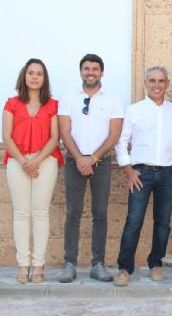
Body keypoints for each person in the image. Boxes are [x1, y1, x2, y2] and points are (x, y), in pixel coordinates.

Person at [58, 54, 124, 283]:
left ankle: (98, 264)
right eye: (86, 69)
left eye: (95, 69)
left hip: (102, 162)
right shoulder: (68, 96)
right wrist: (79, 159)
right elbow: (64, 131)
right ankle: (70, 264)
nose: (90, 72)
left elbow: (114, 134)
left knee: (100, 214)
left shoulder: (114, 98)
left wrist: (93, 158)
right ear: (81, 72)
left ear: (102, 72)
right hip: (74, 161)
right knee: (73, 213)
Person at [113, 66, 172, 287]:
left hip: (168, 172)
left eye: (161, 81)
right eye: (152, 81)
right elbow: (122, 141)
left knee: (163, 222)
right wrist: (128, 169)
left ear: (167, 84)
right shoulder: (134, 110)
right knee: (134, 220)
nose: (157, 85)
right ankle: (124, 268)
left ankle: (155, 264)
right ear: (145, 83)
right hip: (141, 172)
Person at [2, 58, 64, 283]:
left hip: (45, 161)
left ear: (44, 78)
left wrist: (36, 161)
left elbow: (55, 137)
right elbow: (6, 136)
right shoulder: (12, 103)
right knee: (21, 213)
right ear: (24, 76)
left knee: (40, 213)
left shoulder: (53, 105)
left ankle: (38, 265)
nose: (35, 77)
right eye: (31, 73)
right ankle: (23, 265)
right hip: (17, 162)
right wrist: (24, 161)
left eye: (39, 73)